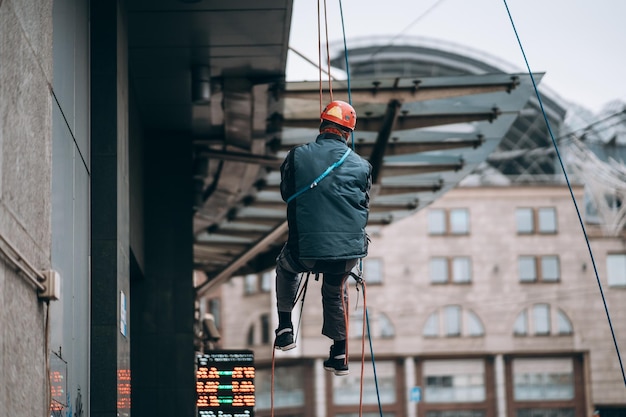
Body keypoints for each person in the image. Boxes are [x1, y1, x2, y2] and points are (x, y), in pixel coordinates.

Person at [273, 100, 372, 376]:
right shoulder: (362, 166)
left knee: (286, 266)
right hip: (347, 254)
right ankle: (340, 352)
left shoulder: (296, 155)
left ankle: (285, 329)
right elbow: (363, 205)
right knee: (335, 288)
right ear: (347, 133)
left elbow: (286, 193)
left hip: (306, 249)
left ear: (322, 125)